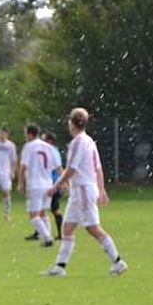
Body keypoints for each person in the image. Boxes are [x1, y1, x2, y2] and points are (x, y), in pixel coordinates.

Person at [45, 108, 127, 277]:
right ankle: (60, 267)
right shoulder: (89, 141)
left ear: (72, 123)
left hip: (82, 189)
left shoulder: (78, 142)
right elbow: (98, 168)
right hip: (82, 189)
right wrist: (101, 189)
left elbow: (72, 168)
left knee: (93, 228)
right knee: (67, 228)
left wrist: (56, 185)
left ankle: (118, 261)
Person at [19, 124, 60, 247]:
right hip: (48, 183)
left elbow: (23, 166)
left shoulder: (29, 146)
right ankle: (47, 236)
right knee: (43, 213)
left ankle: (47, 238)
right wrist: (64, 182)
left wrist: (21, 182)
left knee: (33, 214)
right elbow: (58, 167)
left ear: (30, 134)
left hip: (35, 184)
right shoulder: (49, 147)